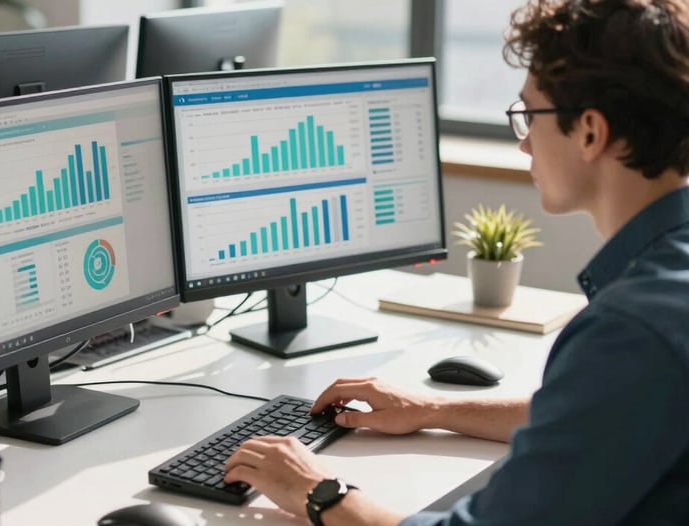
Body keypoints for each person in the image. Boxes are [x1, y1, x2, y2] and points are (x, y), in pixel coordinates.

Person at [223, 0, 689, 524]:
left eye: (529, 115)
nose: (523, 143)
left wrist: (316, 491)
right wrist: (436, 409)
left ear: (589, 131)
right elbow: (604, 418)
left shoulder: (633, 329)